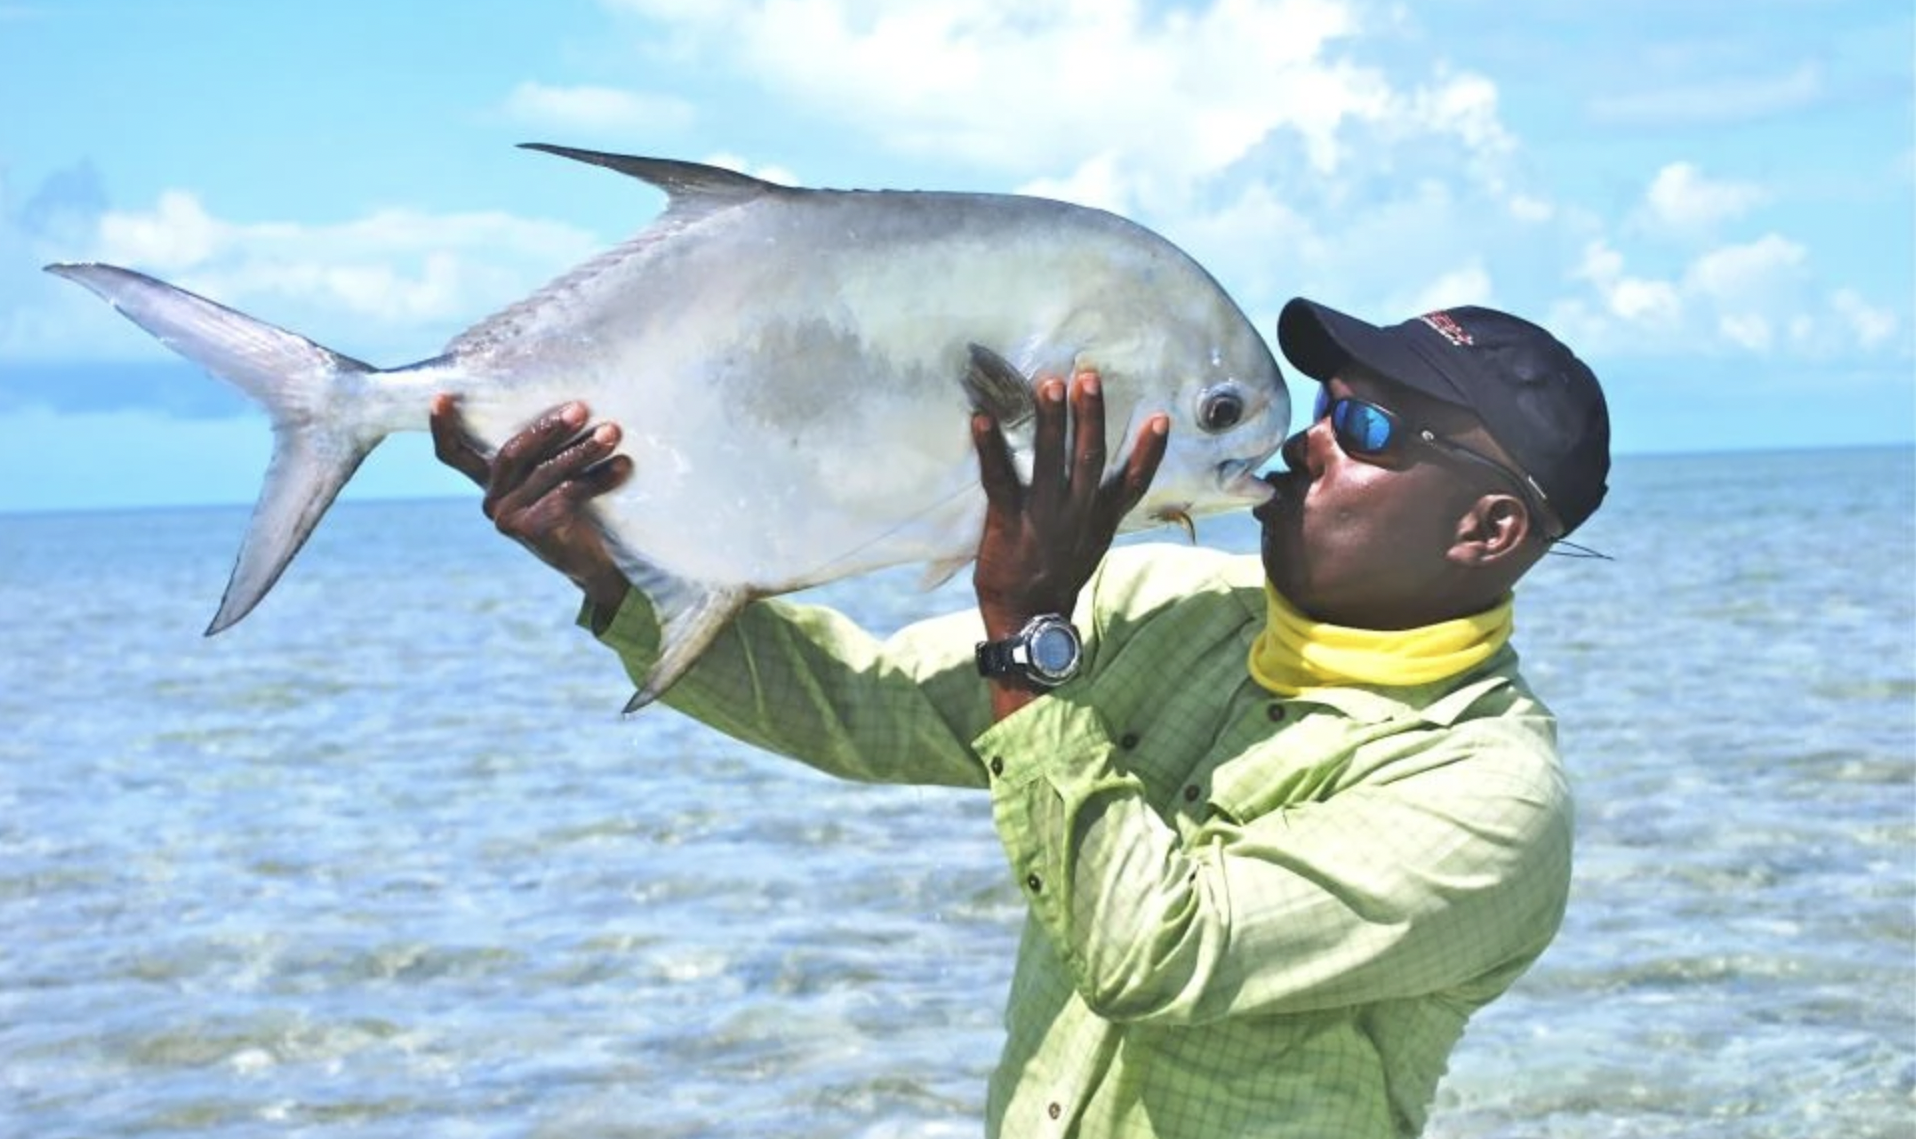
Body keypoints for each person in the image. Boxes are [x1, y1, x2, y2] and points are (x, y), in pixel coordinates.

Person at [429, 297, 1611, 1138]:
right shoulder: (1170, 600)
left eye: (1361, 432)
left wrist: (1029, 625)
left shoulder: (1488, 799)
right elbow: (861, 707)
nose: (1302, 440)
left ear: (1486, 530)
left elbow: (1155, 948)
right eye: (1321, 405)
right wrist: (609, 566)